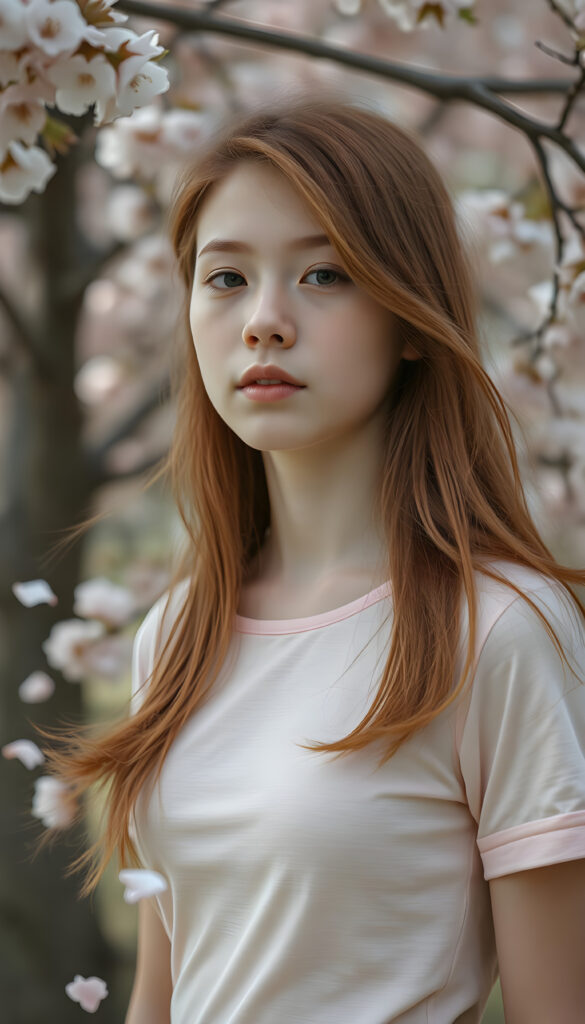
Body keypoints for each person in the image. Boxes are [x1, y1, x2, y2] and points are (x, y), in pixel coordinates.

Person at [40, 94, 585, 1024]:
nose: (264, 321)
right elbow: (165, 995)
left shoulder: (495, 632)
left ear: (410, 316)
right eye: (225, 279)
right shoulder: (173, 636)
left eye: (324, 274)